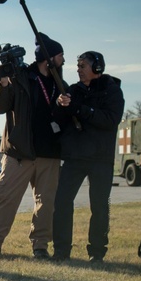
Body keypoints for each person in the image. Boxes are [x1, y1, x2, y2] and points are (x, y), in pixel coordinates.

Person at [0, 33, 64, 258]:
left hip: (49, 154)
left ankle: (40, 246)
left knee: (46, 204)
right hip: (20, 152)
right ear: (48, 58)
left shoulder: (61, 84)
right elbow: (0, 107)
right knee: (5, 198)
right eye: (61, 56)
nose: (64, 60)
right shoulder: (21, 77)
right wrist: (3, 82)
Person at [51, 52, 124, 262]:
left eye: (83, 65)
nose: (78, 69)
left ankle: (97, 252)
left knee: (99, 206)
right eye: (78, 65)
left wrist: (80, 109)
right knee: (62, 201)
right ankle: (61, 251)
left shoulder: (112, 91)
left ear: (97, 68)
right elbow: (58, 118)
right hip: (74, 156)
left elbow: (110, 120)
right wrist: (59, 104)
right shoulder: (73, 91)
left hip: (101, 158)